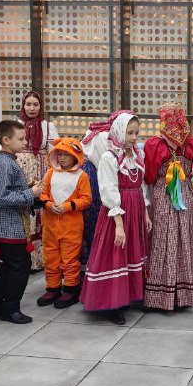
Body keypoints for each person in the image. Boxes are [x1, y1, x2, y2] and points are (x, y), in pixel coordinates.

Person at [81, 112, 151, 325]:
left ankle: (130, 296)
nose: (134, 137)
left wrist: (145, 213)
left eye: (136, 133)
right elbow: (108, 191)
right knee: (116, 254)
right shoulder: (109, 157)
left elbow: (141, 186)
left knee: (132, 253)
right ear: (119, 132)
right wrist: (119, 225)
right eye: (129, 133)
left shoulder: (137, 155)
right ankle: (115, 304)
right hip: (117, 214)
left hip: (135, 210)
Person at [143, 103, 193, 311]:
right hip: (184, 193)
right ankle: (181, 295)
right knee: (183, 239)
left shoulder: (154, 144)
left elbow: (149, 175)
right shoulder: (191, 145)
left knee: (161, 239)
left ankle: (159, 295)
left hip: (163, 193)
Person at [0, 120, 42, 324]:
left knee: (8, 265)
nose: (25, 142)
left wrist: (27, 188)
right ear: (6, 140)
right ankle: (11, 308)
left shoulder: (6, 161)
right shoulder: (5, 164)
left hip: (11, 224)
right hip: (9, 226)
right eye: (21, 139)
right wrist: (30, 193)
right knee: (20, 266)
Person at [38, 138, 92, 308]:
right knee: (51, 258)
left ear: (75, 156)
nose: (61, 158)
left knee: (70, 260)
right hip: (50, 226)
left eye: (66, 155)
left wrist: (68, 206)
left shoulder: (82, 176)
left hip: (72, 227)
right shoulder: (50, 173)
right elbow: (43, 193)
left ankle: (71, 289)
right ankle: (53, 288)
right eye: (59, 154)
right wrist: (48, 204)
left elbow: (86, 199)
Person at [16, 91, 58, 273]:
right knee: (25, 212)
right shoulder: (16, 124)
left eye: (35, 104)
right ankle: (27, 259)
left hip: (42, 173)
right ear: (23, 105)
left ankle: (42, 260)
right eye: (28, 104)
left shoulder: (47, 126)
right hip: (21, 172)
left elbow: (54, 152)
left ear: (41, 106)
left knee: (41, 212)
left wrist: (50, 176)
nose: (32, 108)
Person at [80, 111, 127, 269]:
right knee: (99, 222)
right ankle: (100, 264)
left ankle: (87, 265)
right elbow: (109, 163)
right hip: (97, 178)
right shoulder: (106, 136)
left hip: (87, 175)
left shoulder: (95, 132)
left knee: (89, 224)